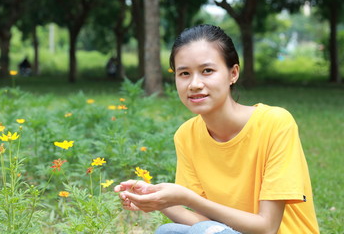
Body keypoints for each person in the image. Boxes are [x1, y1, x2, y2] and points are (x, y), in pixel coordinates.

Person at [114, 24, 319, 234]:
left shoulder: (275, 123)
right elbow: (205, 222)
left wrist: (186, 198)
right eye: (184, 73)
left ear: (233, 73)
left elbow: (267, 227)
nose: (194, 84)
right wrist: (159, 199)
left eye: (207, 71)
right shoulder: (186, 136)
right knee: (168, 231)